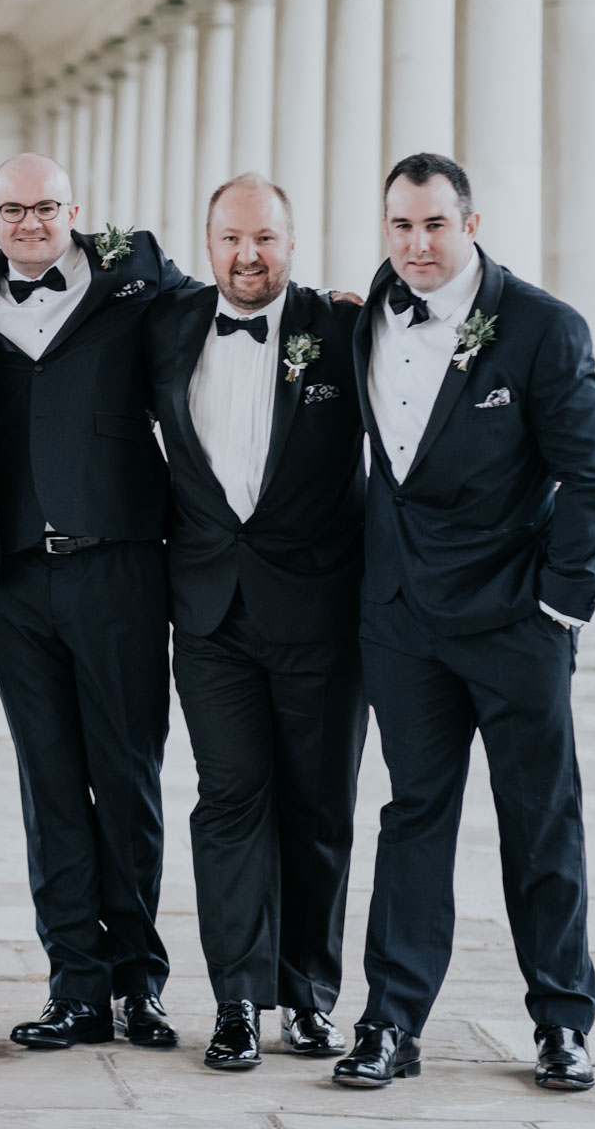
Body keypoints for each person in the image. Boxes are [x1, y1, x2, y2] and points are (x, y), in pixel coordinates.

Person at [334, 153, 595, 1093]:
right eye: (401, 226)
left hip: (514, 623)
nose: (417, 245)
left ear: (472, 223)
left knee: (539, 823)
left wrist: (560, 605)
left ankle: (563, 1023)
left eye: (435, 226)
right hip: (402, 623)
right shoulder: (359, 319)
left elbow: (592, 478)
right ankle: (390, 1022)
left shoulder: (542, 327)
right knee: (414, 817)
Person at [0, 153, 188, 1053]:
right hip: (13, 580)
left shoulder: (137, 273)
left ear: (75, 210)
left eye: (45, 207)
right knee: (49, 784)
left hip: (120, 567)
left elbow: (236, 294)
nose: (28, 223)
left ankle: (140, 982)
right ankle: (75, 988)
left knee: (127, 778)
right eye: (11, 210)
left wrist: (335, 314)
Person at [146, 173, 366, 1070]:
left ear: (292, 241)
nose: (249, 256)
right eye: (232, 239)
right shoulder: (166, 323)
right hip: (208, 612)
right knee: (230, 801)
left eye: (265, 239)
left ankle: (308, 998)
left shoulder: (346, 329)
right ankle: (238, 998)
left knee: (318, 808)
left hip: (322, 613)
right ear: (207, 245)